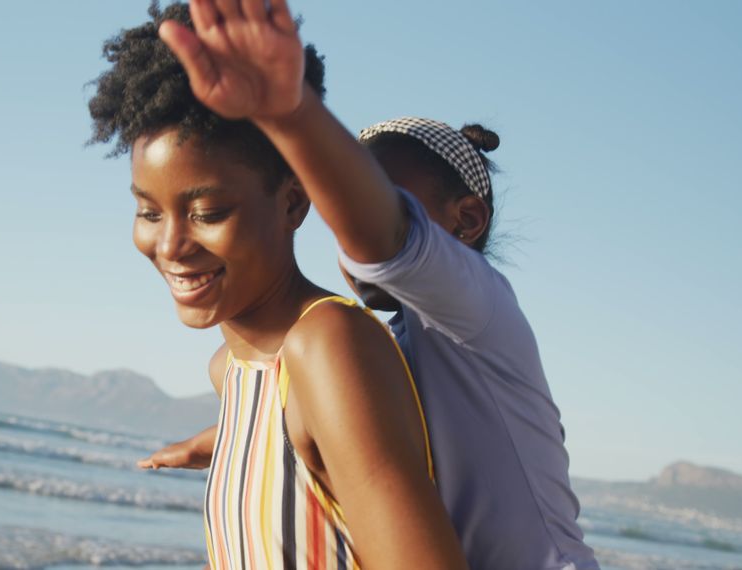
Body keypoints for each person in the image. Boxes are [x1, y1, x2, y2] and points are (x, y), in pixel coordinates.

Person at [139, 0, 599, 567]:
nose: (343, 223)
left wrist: (291, 115)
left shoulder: (477, 309)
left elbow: (383, 236)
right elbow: (355, 419)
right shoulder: (396, 341)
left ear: (467, 221)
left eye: (364, 197)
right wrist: (222, 436)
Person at [90, 2, 467, 568]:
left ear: (293, 202)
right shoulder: (232, 369)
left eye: (208, 212)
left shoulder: (330, 346)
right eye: (148, 213)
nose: (169, 246)